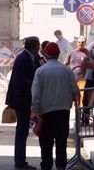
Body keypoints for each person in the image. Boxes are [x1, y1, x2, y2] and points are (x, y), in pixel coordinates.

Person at [31, 42, 79, 170]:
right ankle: (60, 166)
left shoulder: (40, 71)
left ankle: (46, 165)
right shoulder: (67, 70)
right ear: (58, 54)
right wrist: (72, 101)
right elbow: (75, 90)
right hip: (63, 111)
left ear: (45, 54)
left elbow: (35, 93)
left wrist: (35, 111)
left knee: (46, 141)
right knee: (61, 140)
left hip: (45, 111)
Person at [5, 36, 40, 169]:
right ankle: (19, 161)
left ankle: (21, 160)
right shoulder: (23, 58)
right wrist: (35, 85)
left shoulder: (30, 57)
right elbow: (20, 81)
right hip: (21, 100)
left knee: (23, 130)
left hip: (25, 99)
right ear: (35, 46)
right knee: (22, 130)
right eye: (38, 46)